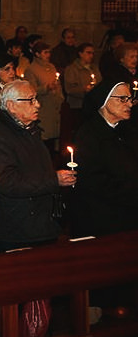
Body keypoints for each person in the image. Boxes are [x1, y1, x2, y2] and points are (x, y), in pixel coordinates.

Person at [0, 80, 76, 250]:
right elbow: (7, 181)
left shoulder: (30, 129)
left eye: (36, 99)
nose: (37, 105)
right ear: (11, 106)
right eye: (30, 100)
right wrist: (54, 180)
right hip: (18, 227)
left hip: (40, 221)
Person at [72, 81, 138, 236]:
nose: (129, 104)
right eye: (122, 99)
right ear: (105, 101)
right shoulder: (88, 135)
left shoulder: (128, 130)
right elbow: (93, 180)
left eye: (130, 99)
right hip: (102, 217)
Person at [24, 42, 63, 146]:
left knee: (55, 138)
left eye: (49, 52)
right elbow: (31, 90)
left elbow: (57, 83)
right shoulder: (31, 70)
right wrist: (46, 88)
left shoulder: (51, 67)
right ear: (37, 54)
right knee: (45, 139)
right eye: (45, 52)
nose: (48, 55)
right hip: (43, 108)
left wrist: (60, 97)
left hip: (54, 106)